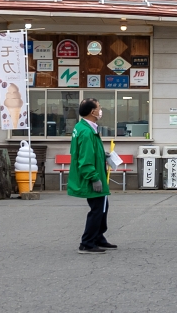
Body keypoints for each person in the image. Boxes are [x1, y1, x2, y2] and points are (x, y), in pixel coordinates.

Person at [68, 98, 114, 254]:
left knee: (102, 207)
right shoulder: (87, 132)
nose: (101, 110)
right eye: (99, 108)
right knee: (97, 209)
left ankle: (98, 237)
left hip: (93, 172)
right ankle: (87, 243)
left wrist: (103, 154)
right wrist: (94, 177)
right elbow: (85, 158)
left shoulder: (82, 127)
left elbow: (88, 152)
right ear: (93, 112)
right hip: (92, 176)